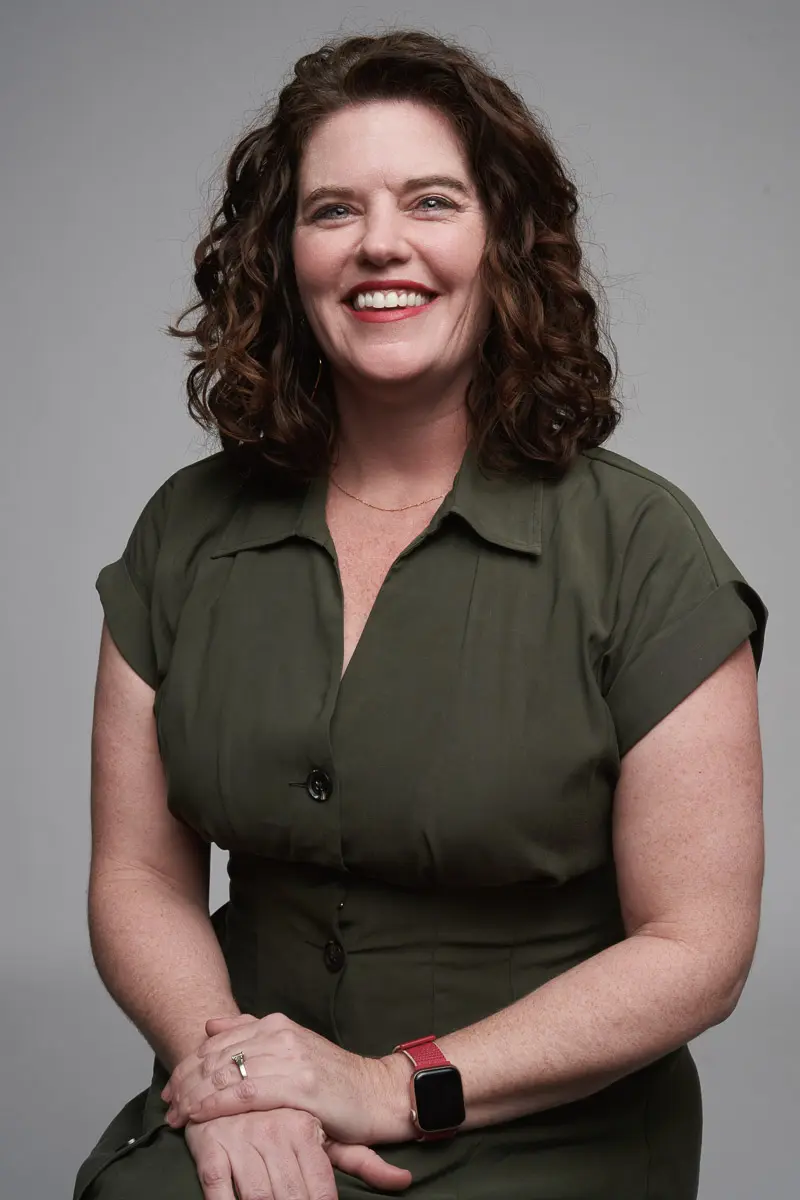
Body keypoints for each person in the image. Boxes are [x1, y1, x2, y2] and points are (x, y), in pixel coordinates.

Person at [72, 28, 768, 1200]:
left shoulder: (643, 548)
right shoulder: (182, 533)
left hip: (536, 1125)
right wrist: (234, 1072)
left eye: (430, 201)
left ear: (501, 243)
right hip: (248, 1095)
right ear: (280, 257)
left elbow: (695, 950)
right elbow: (137, 876)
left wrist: (392, 1086)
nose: (379, 243)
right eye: (331, 210)